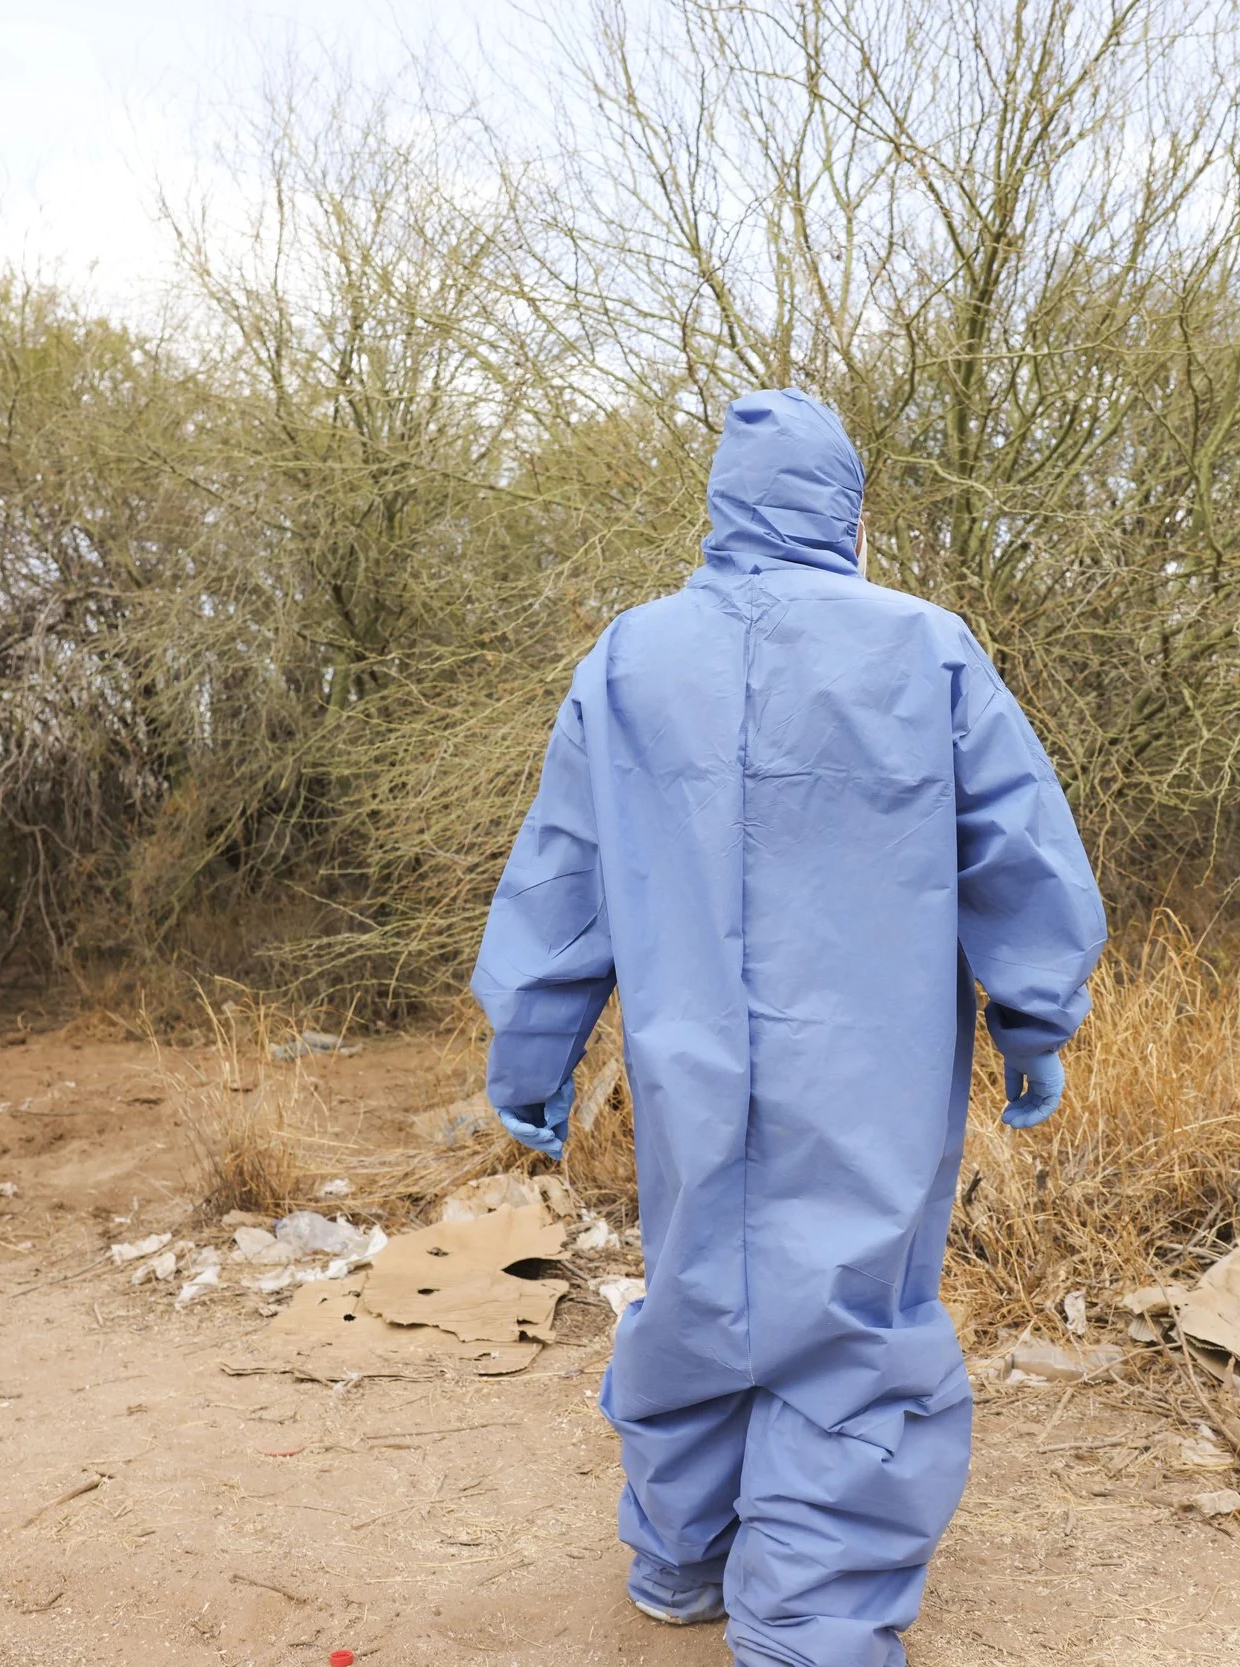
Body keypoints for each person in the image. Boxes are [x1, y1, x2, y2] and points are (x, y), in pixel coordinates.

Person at [471, 388, 1106, 1667]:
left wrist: (530, 1046)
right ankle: (811, 1623)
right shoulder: (927, 645)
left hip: (690, 1057)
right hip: (869, 1063)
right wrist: (1033, 1018)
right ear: (849, 514)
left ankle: (679, 1556)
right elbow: (1018, 846)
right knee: (850, 1312)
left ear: (719, 513)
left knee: (702, 1280)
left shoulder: (628, 658)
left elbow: (562, 869)